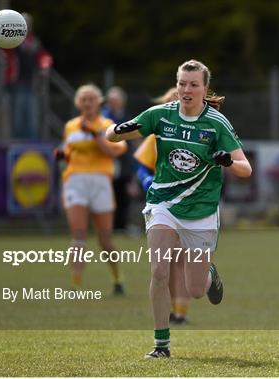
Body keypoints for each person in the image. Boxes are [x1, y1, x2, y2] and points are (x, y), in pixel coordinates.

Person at [106, 59, 252, 358]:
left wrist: (227, 161)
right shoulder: (160, 115)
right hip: (163, 204)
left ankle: (209, 274)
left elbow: (245, 169)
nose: (186, 89)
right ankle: (161, 345)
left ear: (204, 88)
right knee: (159, 271)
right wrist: (118, 129)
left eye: (193, 84)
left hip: (201, 210)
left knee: (196, 289)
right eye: (182, 83)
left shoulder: (216, 123)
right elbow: (112, 135)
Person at [56, 84, 127, 294]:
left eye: (91, 99)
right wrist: (61, 156)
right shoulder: (70, 126)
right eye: (83, 99)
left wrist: (96, 135)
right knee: (78, 235)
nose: (87, 103)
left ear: (98, 102)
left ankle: (117, 278)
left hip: (100, 181)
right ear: (78, 103)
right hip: (75, 181)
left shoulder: (107, 125)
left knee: (105, 239)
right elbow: (68, 152)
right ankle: (76, 285)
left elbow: (115, 152)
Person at [134, 87, 192, 325]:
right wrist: (147, 180)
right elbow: (141, 166)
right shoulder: (157, 134)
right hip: (162, 202)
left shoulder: (197, 132)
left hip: (188, 202)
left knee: (181, 259)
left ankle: (181, 312)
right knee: (163, 263)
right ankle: (170, 311)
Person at [3, 12, 53, 140]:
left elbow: (44, 56)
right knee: (17, 117)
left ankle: (31, 144)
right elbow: (2, 50)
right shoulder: (11, 39)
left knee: (32, 117)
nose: (26, 25)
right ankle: (16, 142)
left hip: (31, 84)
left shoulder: (34, 42)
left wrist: (45, 66)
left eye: (28, 23)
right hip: (16, 84)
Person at [102, 86, 134, 232]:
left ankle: (122, 225)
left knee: (123, 194)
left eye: (116, 100)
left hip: (124, 162)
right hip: (107, 160)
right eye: (111, 101)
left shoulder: (127, 118)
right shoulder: (103, 118)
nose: (113, 103)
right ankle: (109, 226)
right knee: (109, 194)